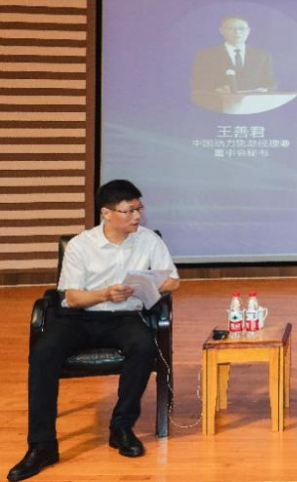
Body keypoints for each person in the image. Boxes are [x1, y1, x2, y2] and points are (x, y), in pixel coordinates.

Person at [7, 180, 180, 482]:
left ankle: (121, 427)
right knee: (44, 352)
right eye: (129, 211)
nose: (137, 216)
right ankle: (42, 444)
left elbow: (173, 280)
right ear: (106, 213)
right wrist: (105, 294)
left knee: (143, 346)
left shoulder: (148, 240)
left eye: (139, 209)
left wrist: (148, 284)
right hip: (78, 319)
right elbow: (72, 298)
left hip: (124, 317)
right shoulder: (81, 245)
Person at [190, 15, 276, 94]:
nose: (237, 32)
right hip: (219, 102)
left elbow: (269, 82)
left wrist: (266, 89)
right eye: (231, 28)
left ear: (248, 31)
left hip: (253, 102)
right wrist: (215, 90)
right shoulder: (206, 55)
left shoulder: (262, 56)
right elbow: (198, 82)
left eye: (241, 28)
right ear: (222, 31)